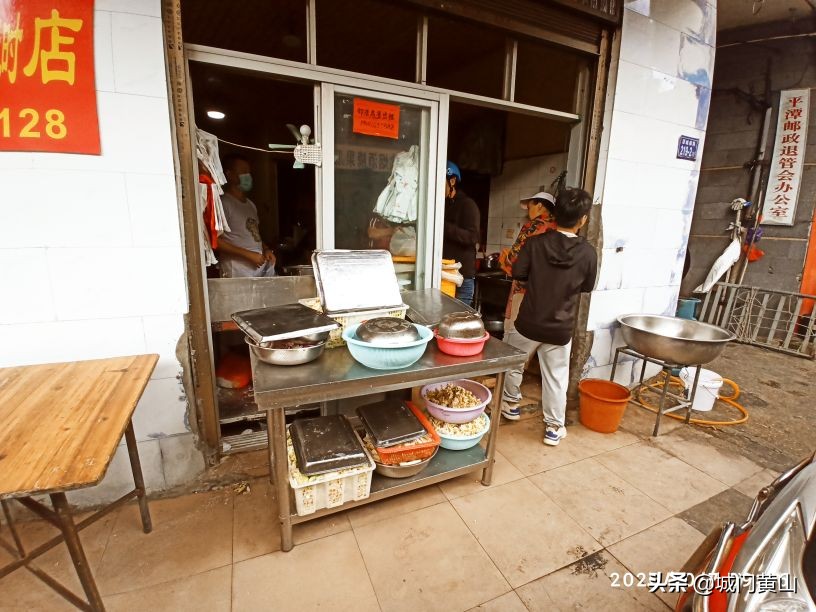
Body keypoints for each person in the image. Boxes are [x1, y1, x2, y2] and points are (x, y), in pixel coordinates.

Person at [500, 187, 597, 447]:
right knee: (555, 377)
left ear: (555, 215)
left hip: (528, 322)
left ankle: (510, 405)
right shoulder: (588, 253)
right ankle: (554, 428)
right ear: (583, 219)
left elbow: (518, 273)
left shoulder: (535, 243)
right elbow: (587, 286)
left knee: (513, 364)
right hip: (560, 327)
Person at [498, 191, 557, 333]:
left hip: (524, 292)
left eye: (530, 206)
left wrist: (504, 259)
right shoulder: (558, 228)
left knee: (516, 337)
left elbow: (515, 261)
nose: (528, 211)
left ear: (540, 205)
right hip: (550, 295)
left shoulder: (532, 226)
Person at [216, 154, 276, 278]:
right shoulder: (223, 203)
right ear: (230, 174)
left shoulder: (250, 205)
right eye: (243, 172)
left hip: (258, 270)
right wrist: (248, 255)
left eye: (249, 172)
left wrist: (266, 249)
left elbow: (254, 235)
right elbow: (216, 241)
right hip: (236, 270)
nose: (248, 176)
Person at [442, 161, 480, 306]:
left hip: (463, 277)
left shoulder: (467, 204)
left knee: (458, 322)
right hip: (445, 274)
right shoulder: (442, 205)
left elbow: (472, 237)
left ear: (452, 181)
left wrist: (443, 226)